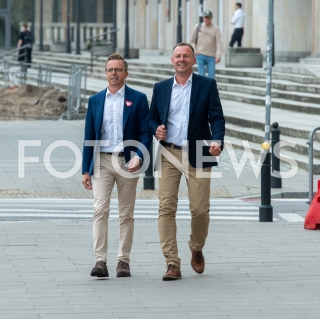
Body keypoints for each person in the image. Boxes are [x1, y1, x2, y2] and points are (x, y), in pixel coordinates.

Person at [147, 43, 225, 281]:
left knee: (200, 209)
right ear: (172, 60)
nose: (181, 60)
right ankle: (172, 263)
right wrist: (156, 129)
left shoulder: (207, 85)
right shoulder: (160, 88)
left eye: (186, 56)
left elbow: (217, 117)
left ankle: (196, 246)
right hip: (169, 152)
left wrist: (217, 140)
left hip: (200, 150)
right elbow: (152, 118)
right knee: (166, 207)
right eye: (177, 56)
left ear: (193, 60)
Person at [82, 53, 152, 278]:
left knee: (126, 213)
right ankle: (100, 261)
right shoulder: (95, 101)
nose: (114, 73)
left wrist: (140, 156)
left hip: (127, 161)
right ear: (105, 73)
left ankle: (123, 260)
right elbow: (89, 136)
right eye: (110, 70)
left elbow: (145, 133)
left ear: (126, 73)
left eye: (118, 70)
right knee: (100, 210)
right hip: (102, 160)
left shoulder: (138, 98)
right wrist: (86, 169)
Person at [189, 10, 222, 80]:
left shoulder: (216, 28)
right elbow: (192, 41)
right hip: (200, 54)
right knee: (201, 76)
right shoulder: (198, 27)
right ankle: (203, 91)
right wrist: (195, 50)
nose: (207, 19)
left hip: (211, 56)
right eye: (205, 17)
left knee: (211, 77)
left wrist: (218, 55)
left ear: (211, 18)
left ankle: (210, 91)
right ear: (203, 18)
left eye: (208, 18)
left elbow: (218, 43)